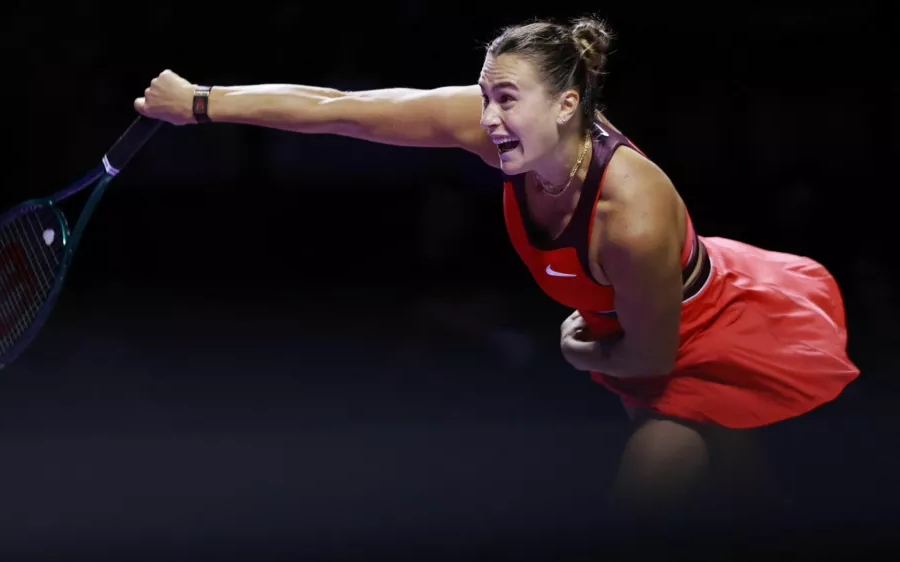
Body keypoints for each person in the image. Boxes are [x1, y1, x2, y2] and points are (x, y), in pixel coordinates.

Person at [133, 17, 860, 525]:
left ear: (568, 104)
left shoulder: (629, 213)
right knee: (747, 504)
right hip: (638, 332)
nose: (487, 117)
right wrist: (199, 103)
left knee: (639, 519)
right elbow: (340, 111)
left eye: (506, 99)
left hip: (700, 338)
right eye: (484, 96)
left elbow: (652, 355)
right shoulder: (493, 128)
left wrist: (577, 347)